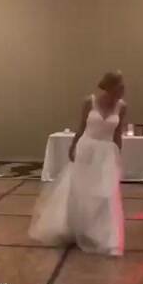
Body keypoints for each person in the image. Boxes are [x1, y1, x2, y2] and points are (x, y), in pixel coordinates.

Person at [29, 71, 126, 256]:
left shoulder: (122, 107)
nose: (123, 89)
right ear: (110, 85)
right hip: (86, 148)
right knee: (80, 190)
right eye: (119, 85)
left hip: (106, 153)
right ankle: (75, 228)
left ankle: (105, 237)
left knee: (106, 194)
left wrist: (118, 156)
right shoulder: (89, 102)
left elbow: (118, 134)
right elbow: (81, 127)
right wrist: (73, 145)